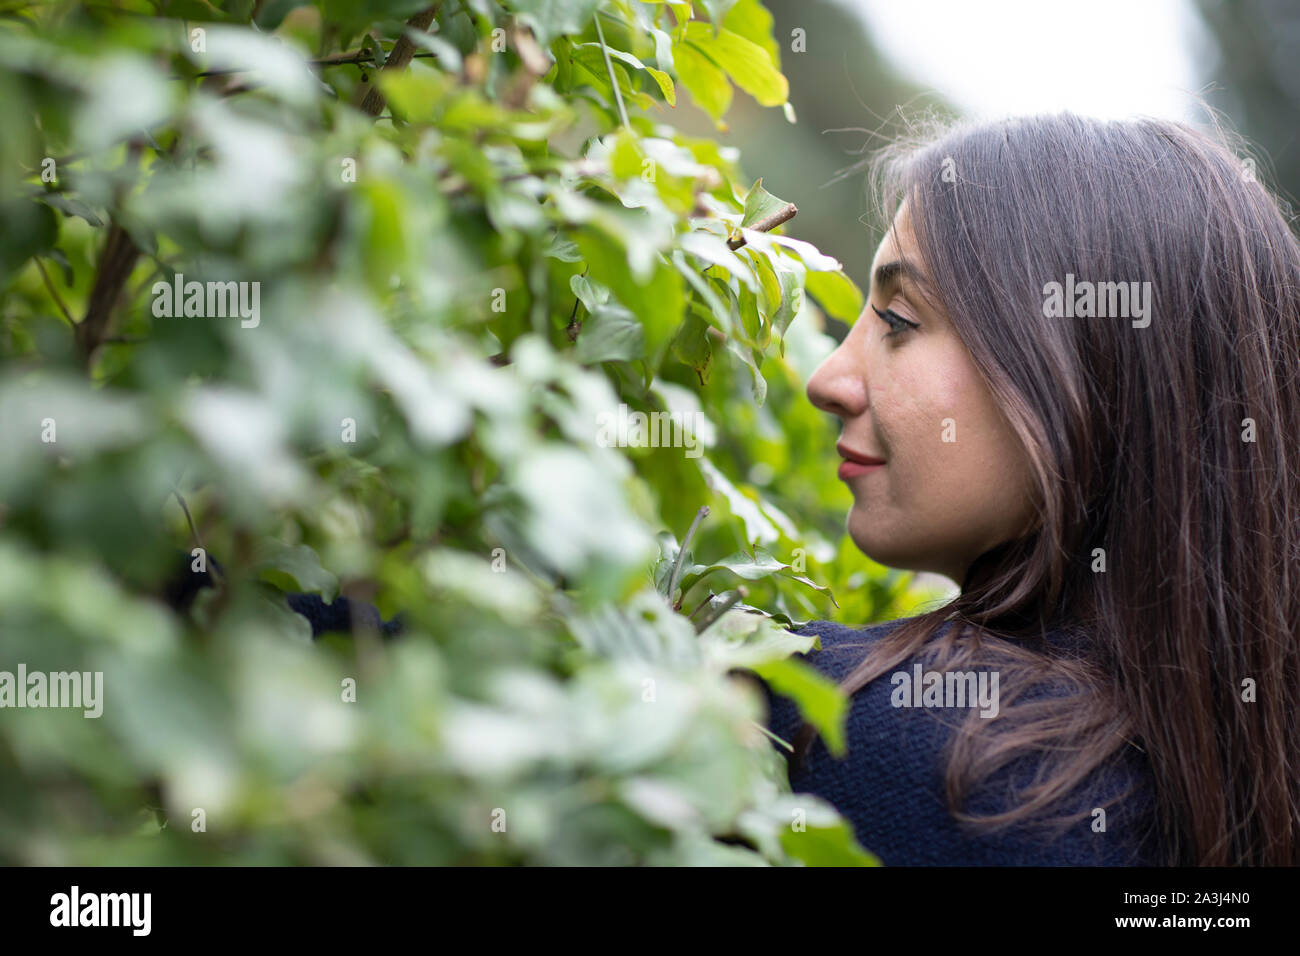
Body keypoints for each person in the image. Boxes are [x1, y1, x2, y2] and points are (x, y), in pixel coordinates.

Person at [763, 111, 1300, 866]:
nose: (830, 379)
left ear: (1089, 369)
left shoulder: (896, 744)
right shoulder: (1240, 770)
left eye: (898, 318)